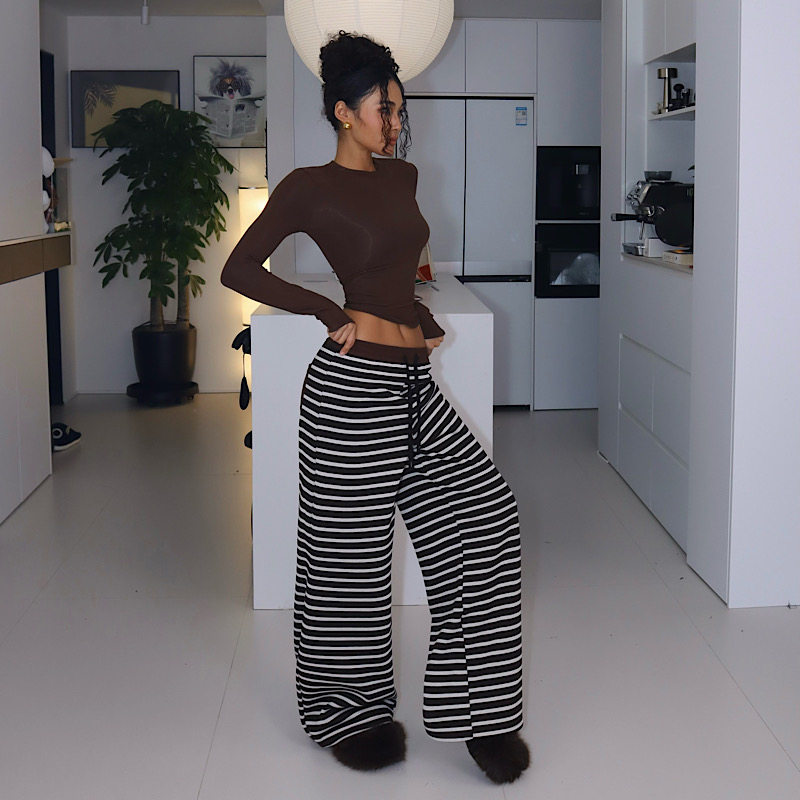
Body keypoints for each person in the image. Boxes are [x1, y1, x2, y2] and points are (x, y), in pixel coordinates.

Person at [220, 30, 529, 785]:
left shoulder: (404, 176)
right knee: (348, 560)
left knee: (486, 520)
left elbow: (393, 267)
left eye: (398, 109)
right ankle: (348, 713)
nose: (394, 122)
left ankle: (481, 713)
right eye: (382, 109)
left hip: (414, 384)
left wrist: (415, 315)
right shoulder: (308, 186)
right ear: (342, 111)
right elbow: (240, 266)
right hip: (351, 391)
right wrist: (326, 311)